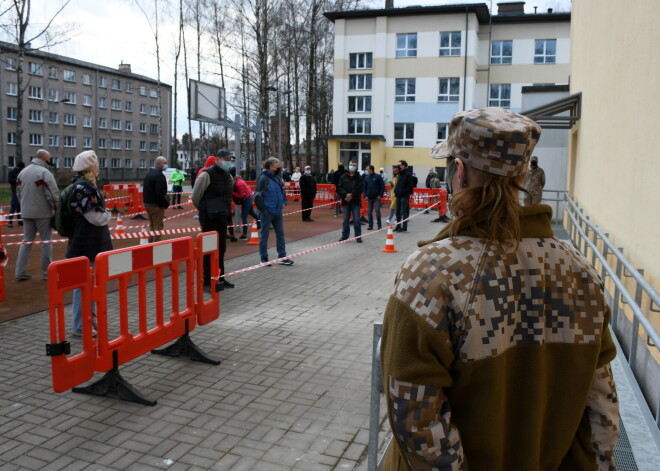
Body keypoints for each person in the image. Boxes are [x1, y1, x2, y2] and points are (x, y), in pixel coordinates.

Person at [380, 107, 618, 471]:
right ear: (522, 175)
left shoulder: (430, 274)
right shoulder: (581, 270)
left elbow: (414, 420)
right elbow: (602, 410)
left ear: (458, 172)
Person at [66, 151, 113, 337]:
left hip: (84, 243)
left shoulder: (78, 186)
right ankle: (80, 325)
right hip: (88, 244)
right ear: (91, 167)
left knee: (86, 286)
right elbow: (96, 218)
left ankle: (86, 322)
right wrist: (108, 214)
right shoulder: (85, 189)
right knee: (85, 286)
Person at [192, 152, 235, 291]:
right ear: (218, 160)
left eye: (230, 159)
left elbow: (228, 195)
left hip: (222, 215)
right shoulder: (206, 174)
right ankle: (206, 281)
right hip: (208, 217)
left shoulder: (228, 176)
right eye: (226, 159)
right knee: (208, 248)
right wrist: (205, 209)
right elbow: (195, 196)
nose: (229, 162)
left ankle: (220, 278)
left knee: (221, 248)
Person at [14, 149, 58, 281]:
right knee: (46, 242)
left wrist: (24, 207)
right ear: (45, 159)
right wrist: (56, 210)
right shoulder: (44, 172)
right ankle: (47, 273)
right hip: (42, 213)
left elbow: (18, 193)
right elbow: (53, 195)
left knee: (26, 241)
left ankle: (19, 271)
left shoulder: (22, 172)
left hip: (26, 212)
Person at [255, 157, 293, 265]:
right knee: (264, 235)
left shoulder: (277, 178)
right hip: (267, 211)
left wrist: (284, 201)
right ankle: (264, 258)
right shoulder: (263, 178)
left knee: (280, 234)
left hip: (277, 211)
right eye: (277, 164)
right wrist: (263, 209)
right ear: (271, 166)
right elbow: (257, 195)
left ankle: (282, 256)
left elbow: (282, 190)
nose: (279, 166)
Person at [143, 156, 169, 243]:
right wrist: (164, 204)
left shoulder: (149, 174)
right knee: (158, 227)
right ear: (159, 164)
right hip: (156, 205)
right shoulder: (159, 176)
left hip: (147, 203)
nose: (166, 165)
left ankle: (150, 244)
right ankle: (156, 246)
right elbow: (160, 193)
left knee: (152, 226)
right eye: (164, 163)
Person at [337, 161, 364, 242]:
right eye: (351, 165)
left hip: (355, 202)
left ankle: (358, 236)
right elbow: (339, 187)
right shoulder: (343, 176)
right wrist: (346, 194)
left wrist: (351, 195)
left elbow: (360, 189)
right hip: (346, 202)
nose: (352, 166)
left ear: (356, 167)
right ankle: (345, 236)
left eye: (354, 165)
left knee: (356, 220)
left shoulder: (359, 178)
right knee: (345, 220)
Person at [232, 174, 259, 239]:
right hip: (248, 197)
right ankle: (260, 223)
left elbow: (241, 196)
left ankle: (244, 235)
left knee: (244, 216)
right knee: (251, 212)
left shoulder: (239, 184)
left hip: (247, 199)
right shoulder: (239, 180)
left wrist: (232, 193)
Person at [393, 160, 414, 232]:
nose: (398, 166)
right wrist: (396, 191)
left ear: (403, 166)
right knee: (398, 211)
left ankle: (404, 227)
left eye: (399, 165)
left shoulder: (408, 174)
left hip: (404, 196)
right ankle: (398, 226)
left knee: (403, 211)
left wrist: (405, 192)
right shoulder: (399, 174)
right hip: (398, 195)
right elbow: (398, 184)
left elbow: (410, 186)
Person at [364, 165, 384, 230]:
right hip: (369, 197)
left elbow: (382, 186)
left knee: (377, 211)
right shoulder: (366, 177)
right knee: (369, 212)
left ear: (371, 169)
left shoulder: (378, 176)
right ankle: (370, 225)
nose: (366, 171)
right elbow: (365, 187)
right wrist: (365, 195)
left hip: (376, 197)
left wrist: (380, 195)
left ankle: (379, 225)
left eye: (367, 169)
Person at [7, 161, 25, 228]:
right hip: (15, 191)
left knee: (19, 206)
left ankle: (20, 221)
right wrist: (17, 180)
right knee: (13, 206)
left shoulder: (21, 171)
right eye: (21, 167)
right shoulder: (12, 172)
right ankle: (10, 222)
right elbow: (9, 180)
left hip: (21, 191)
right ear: (18, 167)